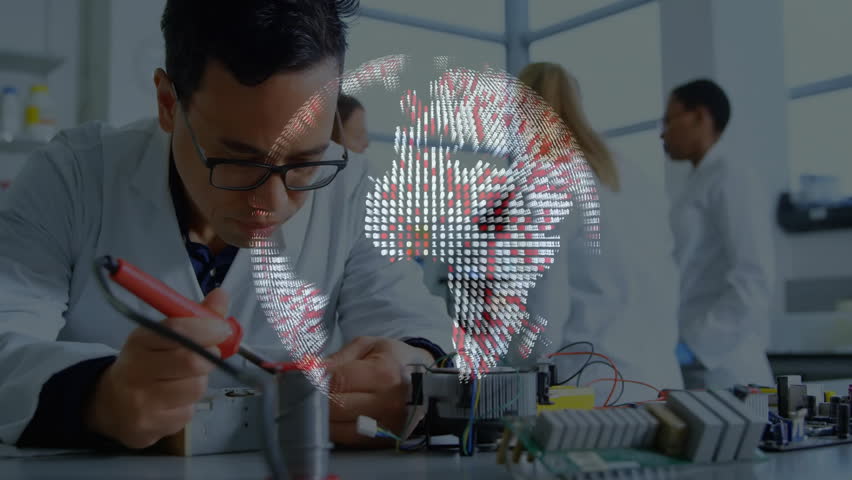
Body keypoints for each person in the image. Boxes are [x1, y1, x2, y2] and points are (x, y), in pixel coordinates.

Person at [0, 0, 451, 450]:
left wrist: (411, 373)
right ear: (168, 103)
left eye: (305, 163)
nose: (270, 204)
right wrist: (99, 397)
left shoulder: (352, 189)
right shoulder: (74, 177)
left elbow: (418, 331)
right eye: (238, 161)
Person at [518, 62, 683, 403]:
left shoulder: (550, 177)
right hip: (661, 380)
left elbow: (545, 306)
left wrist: (522, 366)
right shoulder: (629, 173)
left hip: (596, 386)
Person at [661, 79, 775, 388]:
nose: (663, 133)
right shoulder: (696, 183)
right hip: (695, 365)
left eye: (669, 121)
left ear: (700, 117)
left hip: (729, 366)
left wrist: (697, 346)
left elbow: (754, 278)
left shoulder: (733, 176)